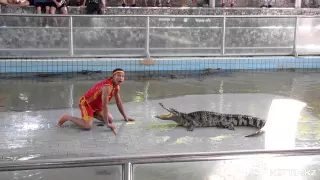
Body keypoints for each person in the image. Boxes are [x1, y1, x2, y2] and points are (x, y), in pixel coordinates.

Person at [58, 68, 134, 132]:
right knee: (87, 126)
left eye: (123, 76)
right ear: (113, 76)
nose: (121, 78)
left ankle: (92, 114)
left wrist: (125, 117)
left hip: (97, 106)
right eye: (119, 75)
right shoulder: (107, 87)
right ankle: (67, 117)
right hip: (87, 104)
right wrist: (107, 124)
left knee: (110, 119)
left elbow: (119, 102)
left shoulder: (116, 87)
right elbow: (105, 106)